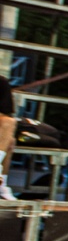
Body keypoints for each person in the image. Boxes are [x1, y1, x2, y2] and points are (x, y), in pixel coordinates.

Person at [0, 67, 16, 200]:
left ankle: (2, 184)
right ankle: (2, 183)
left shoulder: (1, 82)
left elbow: (6, 112)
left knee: (10, 139)